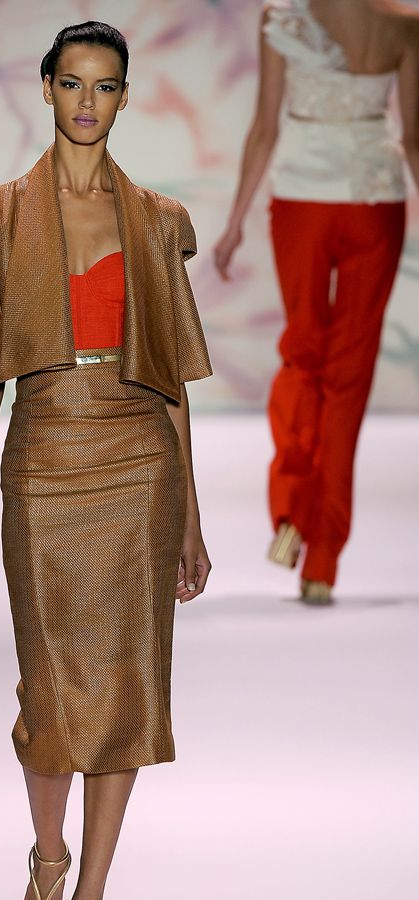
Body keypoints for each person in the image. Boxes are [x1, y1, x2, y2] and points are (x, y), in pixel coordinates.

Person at [0, 21, 212, 900]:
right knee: (52, 692)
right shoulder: (2, 215)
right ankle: (48, 856)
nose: (87, 102)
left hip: (139, 464)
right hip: (44, 461)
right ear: (47, 89)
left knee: (125, 696)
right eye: (71, 83)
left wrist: (190, 517)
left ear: (125, 97)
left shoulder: (156, 221)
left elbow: (172, 382)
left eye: (104, 86)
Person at [214, 0, 419, 604]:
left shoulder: (283, 17)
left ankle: (293, 516)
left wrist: (235, 223)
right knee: (349, 374)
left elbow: (265, 128)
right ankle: (322, 559)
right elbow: (413, 141)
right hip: (376, 204)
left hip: (303, 201)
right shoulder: (404, 25)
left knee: (303, 354)